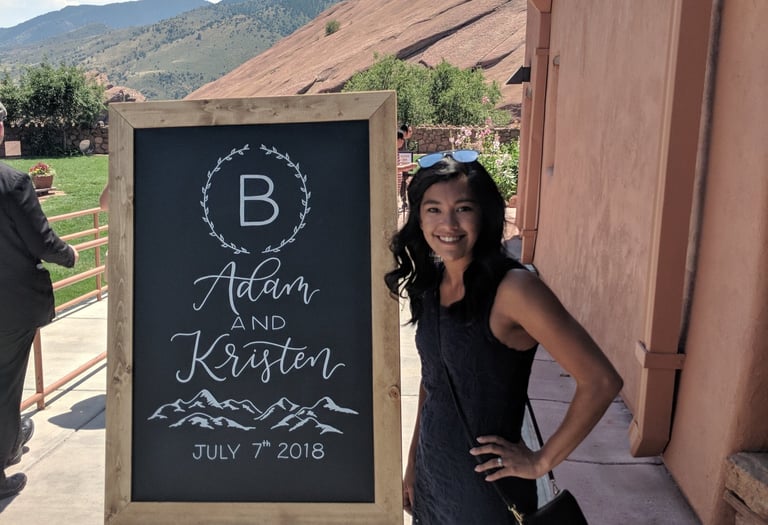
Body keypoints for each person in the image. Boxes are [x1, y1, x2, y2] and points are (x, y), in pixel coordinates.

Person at [384, 150, 622, 524]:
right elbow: (434, 383)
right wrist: (413, 463)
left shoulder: (514, 289)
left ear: (485, 213)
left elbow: (601, 381)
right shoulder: (431, 284)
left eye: (463, 208)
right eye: (433, 209)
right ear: (419, 217)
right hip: (433, 479)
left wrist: (540, 461)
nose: (448, 223)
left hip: (487, 494)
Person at [0, 100, 79, 499]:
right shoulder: (12, 182)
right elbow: (43, 242)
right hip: (9, 307)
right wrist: (71, 255)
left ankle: (13, 438)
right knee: (5, 386)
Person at [396, 131, 416, 212]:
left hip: (397, 187)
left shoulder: (396, 151)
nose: (402, 142)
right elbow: (393, 168)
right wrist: (408, 167)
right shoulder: (392, 152)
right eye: (401, 139)